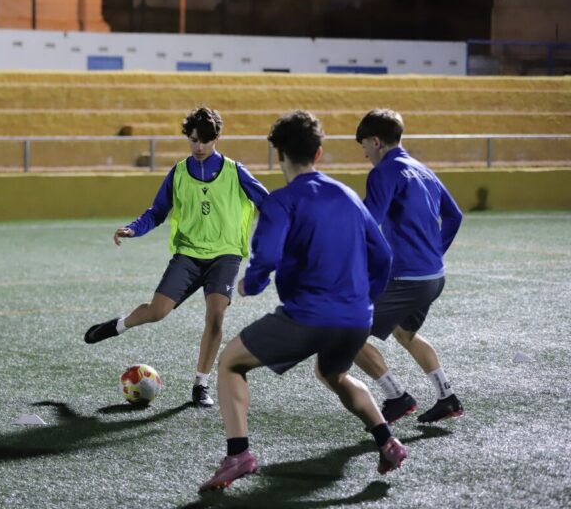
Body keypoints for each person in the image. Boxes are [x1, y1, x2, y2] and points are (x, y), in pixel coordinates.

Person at [200, 110, 406, 492]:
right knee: (335, 375)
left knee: (230, 362)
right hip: (356, 317)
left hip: (309, 316)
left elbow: (268, 257)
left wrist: (252, 283)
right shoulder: (346, 194)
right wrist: (365, 301)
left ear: (278, 153)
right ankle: (387, 441)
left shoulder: (282, 201)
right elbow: (383, 255)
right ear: (320, 152)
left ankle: (238, 454)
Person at [84, 107, 268, 407]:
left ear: (216, 139)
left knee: (216, 315)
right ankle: (118, 325)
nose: (198, 147)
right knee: (157, 312)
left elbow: (267, 202)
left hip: (225, 255)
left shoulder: (236, 171)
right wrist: (133, 229)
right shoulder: (179, 172)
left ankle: (201, 384)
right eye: (193, 140)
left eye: (204, 141)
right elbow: (157, 211)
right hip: (188, 255)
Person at [353, 108, 464, 424]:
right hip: (433, 277)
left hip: (406, 278)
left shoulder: (383, 173)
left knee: (345, 330)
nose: (364, 155)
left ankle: (396, 396)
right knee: (406, 333)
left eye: (363, 146)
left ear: (376, 142)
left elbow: (369, 224)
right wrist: (435, 253)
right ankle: (447, 397)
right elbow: (455, 216)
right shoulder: (423, 170)